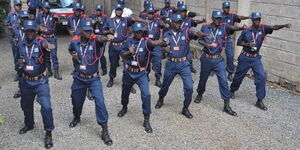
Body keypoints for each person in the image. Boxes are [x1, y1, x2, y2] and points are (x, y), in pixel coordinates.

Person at [230, 12, 291, 110]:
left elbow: (274, 27)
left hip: (255, 58)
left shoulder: (263, 29)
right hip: (245, 57)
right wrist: (247, 44)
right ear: (252, 20)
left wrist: (284, 25)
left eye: (259, 19)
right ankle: (232, 91)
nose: (258, 21)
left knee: (261, 77)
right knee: (238, 76)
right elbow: (238, 42)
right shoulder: (246, 31)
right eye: (256, 19)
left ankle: (259, 100)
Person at [68, 19, 114, 146]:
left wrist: (107, 37)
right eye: (86, 31)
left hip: (93, 79)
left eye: (90, 30)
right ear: (80, 31)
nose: (89, 33)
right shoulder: (75, 42)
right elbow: (70, 49)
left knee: (100, 101)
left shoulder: (95, 40)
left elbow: (100, 39)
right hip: (79, 78)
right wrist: (73, 55)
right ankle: (77, 116)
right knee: (76, 100)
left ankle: (104, 128)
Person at [155, 13, 210, 119]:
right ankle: (161, 98)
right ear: (172, 23)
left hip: (184, 64)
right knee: (165, 85)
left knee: (189, 87)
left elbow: (195, 33)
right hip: (171, 64)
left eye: (181, 22)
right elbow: (165, 42)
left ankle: (185, 108)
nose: (179, 24)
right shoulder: (168, 34)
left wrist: (203, 34)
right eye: (177, 22)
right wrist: (165, 45)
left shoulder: (186, 32)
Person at [117, 22, 168, 133]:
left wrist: (163, 42)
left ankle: (146, 119)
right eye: (137, 32)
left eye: (141, 31)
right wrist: (128, 52)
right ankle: (124, 107)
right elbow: (121, 54)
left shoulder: (146, 42)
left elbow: (154, 42)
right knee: (125, 92)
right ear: (133, 32)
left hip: (141, 74)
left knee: (146, 94)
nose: (139, 33)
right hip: (128, 72)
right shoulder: (128, 41)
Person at [195, 10, 246, 116]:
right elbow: (199, 40)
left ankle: (226, 105)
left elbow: (232, 28)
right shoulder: (205, 27)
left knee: (223, 81)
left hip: (218, 59)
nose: (218, 20)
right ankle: (200, 93)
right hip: (206, 58)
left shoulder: (224, 27)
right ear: (212, 18)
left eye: (220, 18)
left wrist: (241, 28)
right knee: (202, 79)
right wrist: (205, 44)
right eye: (217, 18)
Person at [17, 20, 55, 149]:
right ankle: (29, 124)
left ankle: (48, 132)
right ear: (24, 32)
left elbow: (47, 45)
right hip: (26, 81)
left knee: (46, 107)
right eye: (27, 31)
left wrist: (48, 46)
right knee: (26, 106)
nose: (29, 33)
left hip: (40, 81)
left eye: (32, 31)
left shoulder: (40, 42)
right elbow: (18, 61)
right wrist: (20, 64)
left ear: (35, 32)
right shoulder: (20, 45)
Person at [103, 3, 149, 88]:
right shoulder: (109, 20)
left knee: (127, 64)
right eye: (117, 10)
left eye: (120, 10)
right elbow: (103, 31)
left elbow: (134, 18)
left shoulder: (126, 20)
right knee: (113, 64)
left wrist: (143, 21)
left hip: (123, 46)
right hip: (113, 46)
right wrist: (108, 32)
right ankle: (111, 78)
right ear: (115, 11)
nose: (119, 11)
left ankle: (129, 84)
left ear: (122, 11)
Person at [221, 1, 250, 81]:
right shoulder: (219, 16)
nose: (227, 9)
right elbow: (231, 28)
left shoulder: (232, 16)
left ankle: (230, 72)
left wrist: (248, 17)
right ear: (223, 8)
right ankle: (212, 69)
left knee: (230, 56)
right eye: (226, 8)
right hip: (219, 38)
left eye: (228, 8)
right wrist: (241, 28)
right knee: (214, 53)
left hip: (228, 38)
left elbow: (240, 17)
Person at [36, 2, 62, 80]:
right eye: (46, 8)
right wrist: (39, 27)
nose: (47, 9)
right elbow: (36, 26)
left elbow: (58, 22)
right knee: (46, 56)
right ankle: (49, 71)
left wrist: (58, 19)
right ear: (43, 8)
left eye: (48, 8)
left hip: (52, 38)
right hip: (44, 38)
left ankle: (56, 73)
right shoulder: (39, 16)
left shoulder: (53, 15)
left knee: (54, 56)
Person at [144, 6, 169, 87]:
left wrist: (165, 25)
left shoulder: (157, 21)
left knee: (158, 62)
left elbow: (162, 24)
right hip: (146, 44)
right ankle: (146, 75)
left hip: (156, 44)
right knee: (146, 62)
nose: (151, 15)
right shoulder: (144, 21)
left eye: (152, 13)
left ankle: (157, 79)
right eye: (149, 13)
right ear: (147, 13)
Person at [178, 4, 206, 74]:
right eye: (182, 11)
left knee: (188, 56)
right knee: (178, 56)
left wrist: (202, 21)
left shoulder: (189, 20)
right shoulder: (177, 20)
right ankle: (178, 69)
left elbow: (195, 22)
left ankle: (190, 67)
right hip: (177, 40)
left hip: (186, 41)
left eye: (184, 11)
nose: (183, 13)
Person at [90, 4, 109, 76]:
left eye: (99, 10)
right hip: (94, 37)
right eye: (97, 10)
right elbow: (89, 26)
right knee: (94, 53)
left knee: (101, 53)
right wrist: (94, 22)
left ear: (101, 10)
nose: (98, 12)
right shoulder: (93, 16)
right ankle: (94, 68)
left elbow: (108, 27)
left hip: (102, 37)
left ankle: (104, 69)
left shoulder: (105, 17)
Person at [6, 0, 23, 81]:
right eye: (17, 5)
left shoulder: (24, 14)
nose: (19, 6)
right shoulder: (10, 15)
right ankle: (18, 72)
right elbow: (7, 25)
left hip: (23, 39)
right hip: (15, 39)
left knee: (24, 54)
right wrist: (11, 27)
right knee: (16, 56)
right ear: (14, 6)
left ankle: (25, 71)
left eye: (20, 5)